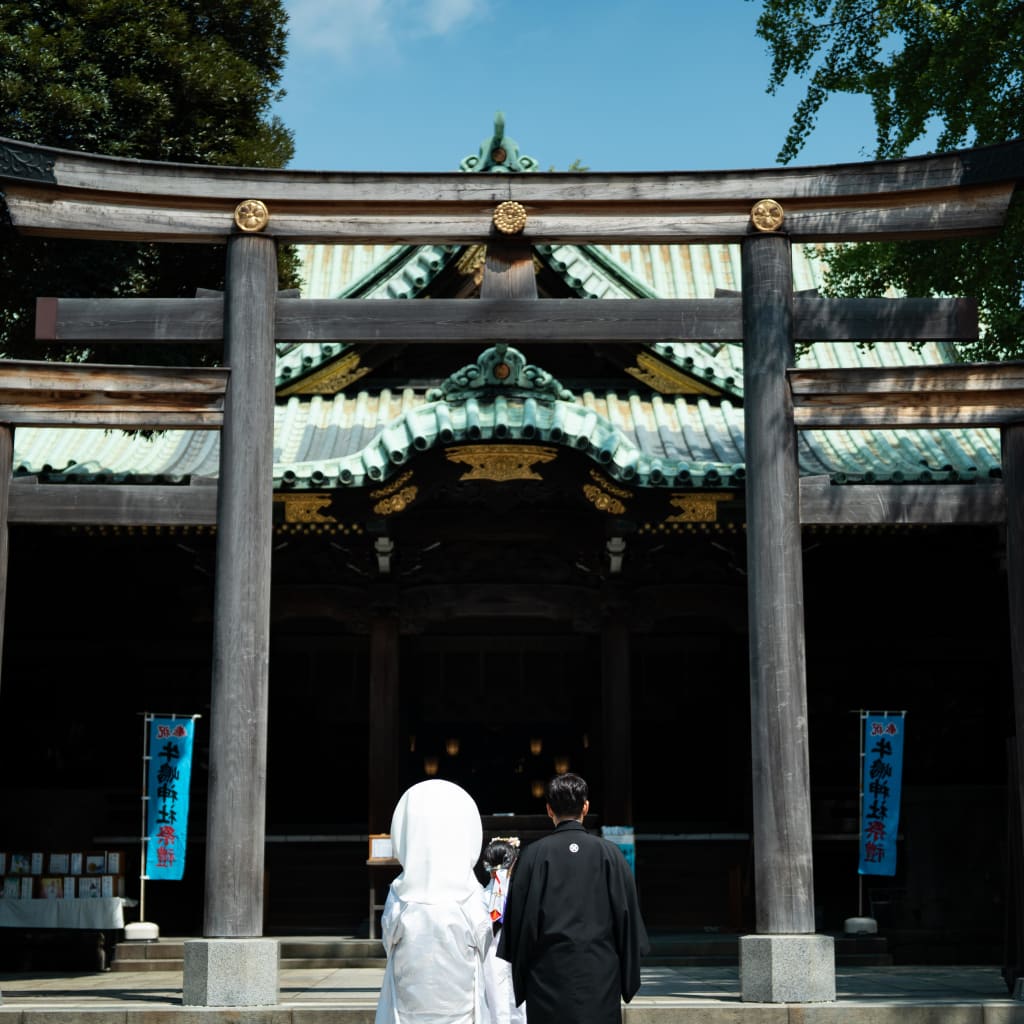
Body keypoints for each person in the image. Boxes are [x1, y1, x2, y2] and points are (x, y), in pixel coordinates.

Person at [497, 773, 649, 1024]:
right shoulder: (611, 855)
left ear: (549, 809)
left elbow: (519, 925)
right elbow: (627, 918)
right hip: (600, 974)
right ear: (585, 807)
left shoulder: (533, 856)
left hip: (547, 976)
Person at [374, 779, 493, 1024]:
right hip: (459, 1002)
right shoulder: (469, 891)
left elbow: (388, 940)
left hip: (409, 1003)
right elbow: (485, 940)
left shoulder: (401, 891)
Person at [480, 837, 526, 1024]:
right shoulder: (523, 894)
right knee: (519, 1008)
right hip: (518, 957)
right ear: (513, 863)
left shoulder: (479, 897)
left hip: (489, 959)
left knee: (494, 1006)